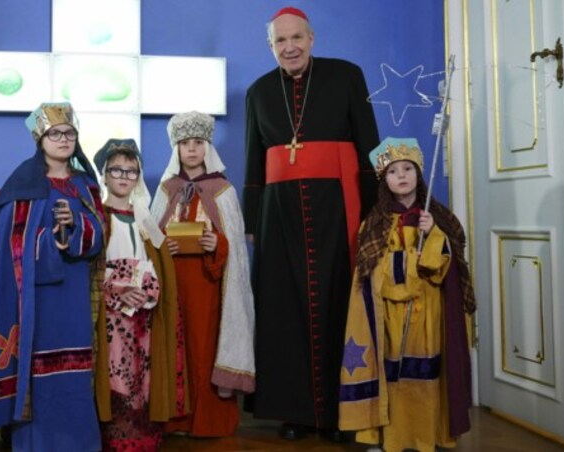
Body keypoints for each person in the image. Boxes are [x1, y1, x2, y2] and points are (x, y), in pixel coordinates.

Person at [242, 6, 381, 440]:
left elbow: (369, 146)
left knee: (342, 304)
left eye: (296, 38)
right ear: (270, 46)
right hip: (278, 214)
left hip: (338, 208)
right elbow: (253, 160)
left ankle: (347, 414)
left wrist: (376, 212)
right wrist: (252, 221)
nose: (290, 47)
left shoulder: (346, 76)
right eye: (280, 41)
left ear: (312, 38)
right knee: (283, 309)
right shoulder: (259, 91)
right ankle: (295, 412)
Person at [0, 102, 105, 451]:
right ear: (40, 139)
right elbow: (10, 243)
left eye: (69, 133)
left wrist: (76, 225)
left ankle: (79, 442)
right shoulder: (23, 182)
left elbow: (99, 233)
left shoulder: (84, 185)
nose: (64, 139)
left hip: (76, 293)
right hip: (38, 299)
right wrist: (53, 237)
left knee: (77, 374)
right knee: (40, 373)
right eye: (55, 134)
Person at [338, 137, 475, 452]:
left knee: (426, 374)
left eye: (408, 169)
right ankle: (387, 436)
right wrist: (406, 264)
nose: (401, 176)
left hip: (428, 312)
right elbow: (372, 272)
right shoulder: (373, 225)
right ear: (384, 180)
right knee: (392, 375)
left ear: (418, 173)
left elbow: (444, 267)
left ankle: (429, 434)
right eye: (393, 171)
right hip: (389, 314)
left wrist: (433, 235)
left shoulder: (438, 219)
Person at [151, 111, 255, 437]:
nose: (192, 149)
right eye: (185, 144)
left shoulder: (223, 190)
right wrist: (162, 247)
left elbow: (235, 250)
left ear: (207, 147)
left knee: (203, 348)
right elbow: (152, 237)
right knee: (174, 347)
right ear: (176, 149)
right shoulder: (167, 190)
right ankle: (176, 419)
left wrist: (216, 243)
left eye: (198, 143)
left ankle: (209, 421)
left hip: (208, 285)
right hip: (173, 285)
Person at [91, 138, 186, 451]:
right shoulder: (96, 218)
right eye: (115, 169)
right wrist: (118, 290)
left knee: (143, 375)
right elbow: (91, 270)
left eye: (131, 171)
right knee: (114, 375)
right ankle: (116, 437)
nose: (123, 176)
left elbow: (159, 266)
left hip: (144, 316)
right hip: (110, 317)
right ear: (103, 174)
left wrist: (146, 289)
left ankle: (145, 436)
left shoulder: (146, 221)